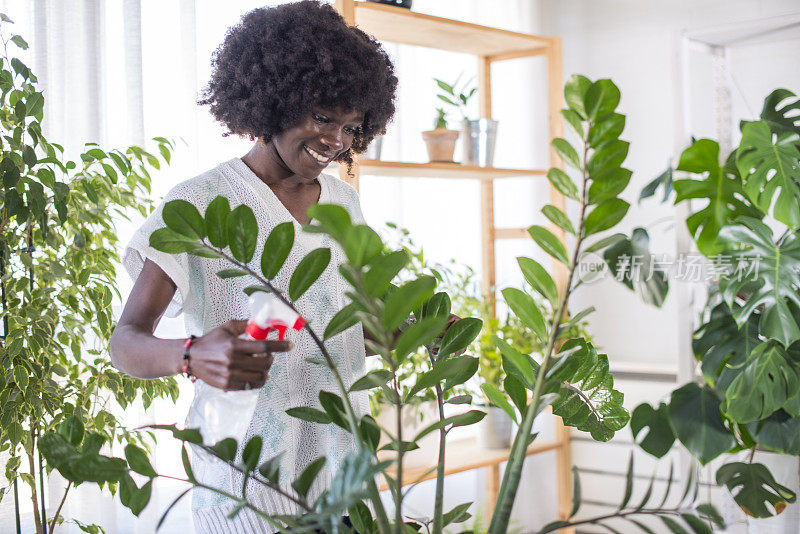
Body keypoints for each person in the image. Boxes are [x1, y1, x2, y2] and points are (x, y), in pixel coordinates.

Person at [109, 2, 398, 532]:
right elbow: (125, 340)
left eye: (351, 125)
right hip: (249, 475)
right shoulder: (201, 202)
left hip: (345, 464)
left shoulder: (342, 202)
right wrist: (192, 355)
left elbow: (336, 326)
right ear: (273, 101)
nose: (336, 141)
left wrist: (402, 331)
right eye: (322, 117)